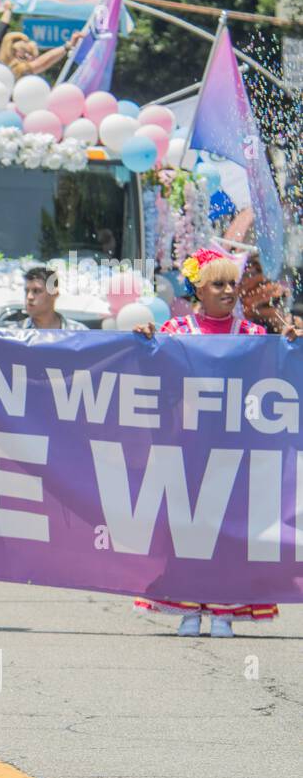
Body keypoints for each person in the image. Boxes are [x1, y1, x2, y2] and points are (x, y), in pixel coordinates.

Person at [132, 248, 297, 637]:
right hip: (189, 449)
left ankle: (224, 608)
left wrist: (293, 342)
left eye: (232, 284)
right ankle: (189, 606)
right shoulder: (175, 333)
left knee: (229, 531)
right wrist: (142, 343)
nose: (228, 291)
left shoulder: (255, 336)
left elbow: (280, 377)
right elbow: (150, 376)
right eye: (218, 284)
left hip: (237, 452)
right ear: (198, 289)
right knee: (187, 528)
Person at [0, 29, 84, 80]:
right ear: (15, 54)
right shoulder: (17, 70)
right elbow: (42, 63)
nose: (29, 58)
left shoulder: (1, 70)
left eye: (30, 55)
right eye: (24, 56)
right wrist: (67, 46)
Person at [20, 266, 87, 330]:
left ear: (54, 294)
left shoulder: (79, 333)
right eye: (27, 291)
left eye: (36, 291)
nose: (29, 297)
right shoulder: (14, 335)